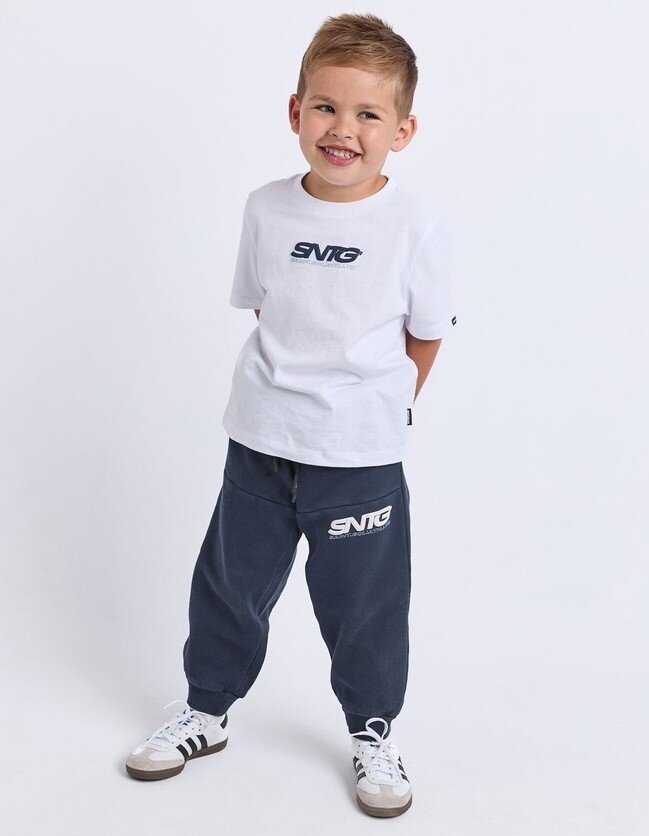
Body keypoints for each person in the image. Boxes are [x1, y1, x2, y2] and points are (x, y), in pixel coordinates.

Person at [125, 12, 457, 818]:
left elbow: (426, 333)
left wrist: (376, 408)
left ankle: (372, 733)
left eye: (368, 114)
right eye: (325, 107)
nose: (343, 129)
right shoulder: (265, 208)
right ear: (295, 111)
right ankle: (206, 711)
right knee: (229, 587)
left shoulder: (413, 224)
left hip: (359, 455)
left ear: (401, 131)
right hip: (260, 441)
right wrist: (290, 399)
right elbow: (266, 307)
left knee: (363, 608)